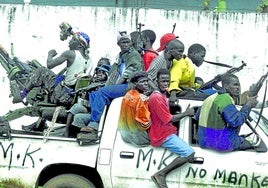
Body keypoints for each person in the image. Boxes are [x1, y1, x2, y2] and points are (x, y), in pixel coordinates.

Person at [79, 31, 143, 139]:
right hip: (121, 84)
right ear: (118, 44)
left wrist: (114, 86)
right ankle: (96, 118)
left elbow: (129, 72)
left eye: (128, 42)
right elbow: (114, 71)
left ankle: (94, 124)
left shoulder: (133, 54)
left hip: (130, 85)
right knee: (94, 94)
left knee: (102, 92)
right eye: (123, 42)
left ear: (131, 43)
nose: (126, 44)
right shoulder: (121, 56)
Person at [148, 69, 195, 188]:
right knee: (189, 153)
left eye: (167, 81)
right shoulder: (156, 97)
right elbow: (169, 119)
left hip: (165, 131)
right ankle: (161, 174)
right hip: (162, 134)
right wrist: (186, 113)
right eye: (163, 81)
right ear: (156, 81)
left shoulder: (162, 95)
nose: (165, 84)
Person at [17, 31, 92, 107]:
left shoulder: (70, 53)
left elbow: (49, 65)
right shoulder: (89, 60)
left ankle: (23, 94)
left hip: (60, 95)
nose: (70, 41)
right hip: (72, 98)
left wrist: (50, 54)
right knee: (59, 77)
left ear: (80, 45)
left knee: (41, 70)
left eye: (73, 40)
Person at [196, 73, 261, 152]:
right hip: (221, 143)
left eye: (239, 85)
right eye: (235, 85)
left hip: (204, 142)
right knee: (255, 145)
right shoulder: (225, 99)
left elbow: (197, 116)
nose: (238, 88)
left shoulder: (209, 98)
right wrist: (248, 105)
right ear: (226, 86)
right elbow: (236, 121)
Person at [64, 62, 111, 137]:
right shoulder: (91, 84)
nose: (99, 74)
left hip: (97, 114)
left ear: (106, 75)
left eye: (102, 73)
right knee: (75, 107)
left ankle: (81, 135)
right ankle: (66, 131)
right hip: (89, 109)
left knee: (78, 117)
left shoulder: (106, 86)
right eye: (98, 72)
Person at [118, 71, 151, 147]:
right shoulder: (142, 99)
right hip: (139, 138)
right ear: (135, 84)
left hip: (125, 135)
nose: (146, 83)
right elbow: (145, 124)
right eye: (142, 81)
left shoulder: (128, 94)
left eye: (146, 81)